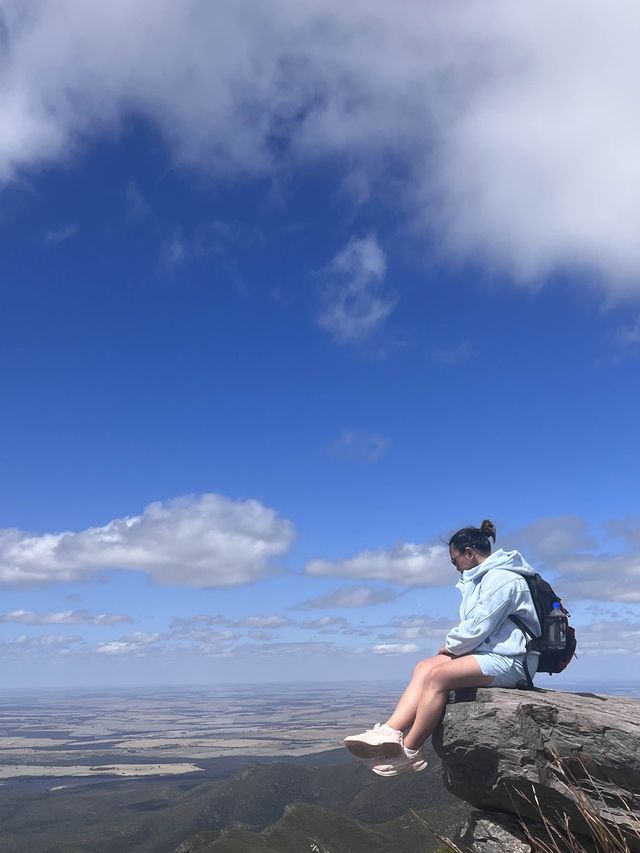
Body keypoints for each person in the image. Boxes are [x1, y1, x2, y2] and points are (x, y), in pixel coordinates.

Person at [343, 519, 540, 777]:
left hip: (514, 661)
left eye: (454, 560)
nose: (455, 566)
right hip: (492, 654)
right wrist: (450, 648)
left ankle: (411, 751)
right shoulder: (483, 580)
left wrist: (449, 646)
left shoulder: (503, 580)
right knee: (424, 666)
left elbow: (478, 627)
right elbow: (476, 628)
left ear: (469, 553)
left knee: (438, 676)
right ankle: (390, 731)